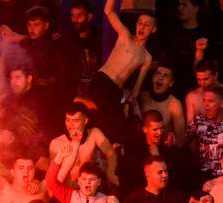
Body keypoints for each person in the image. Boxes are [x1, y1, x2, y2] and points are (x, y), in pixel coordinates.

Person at [87, 0, 156, 144]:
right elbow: (108, 11)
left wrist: (127, 103)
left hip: (115, 90)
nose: (142, 27)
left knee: (119, 127)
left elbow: (136, 89)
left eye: (147, 24)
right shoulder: (125, 36)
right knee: (112, 122)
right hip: (102, 81)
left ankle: (115, 149)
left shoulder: (147, 57)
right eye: (139, 23)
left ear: (153, 29)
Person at [47, 102, 119, 188]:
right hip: (69, 191)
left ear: (85, 121)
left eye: (76, 121)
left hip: (91, 187)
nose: (70, 125)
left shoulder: (94, 133)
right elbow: (52, 175)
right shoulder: (56, 143)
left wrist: (110, 172)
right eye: (68, 120)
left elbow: (111, 153)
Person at [185, 60, 223, 125]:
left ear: (215, 75)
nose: (202, 83)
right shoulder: (191, 96)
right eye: (199, 79)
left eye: (206, 79)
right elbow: (190, 125)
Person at [140, 65, 186, 147]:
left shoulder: (174, 105)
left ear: (171, 83)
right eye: (158, 73)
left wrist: (173, 139)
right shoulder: (142, 97)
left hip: (163, 150)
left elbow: (181, 141)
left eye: (165, 75)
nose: (160, 77)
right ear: (152, 77)